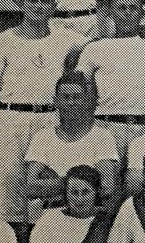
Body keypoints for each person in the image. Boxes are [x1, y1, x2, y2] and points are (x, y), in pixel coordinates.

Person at [0, 0, 86, 230]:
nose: (38, 6)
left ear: (53, 6)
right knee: (11, 191)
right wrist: (12, 107)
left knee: (46, 192)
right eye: (32, 0)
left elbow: (98, 48)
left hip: (50, 120)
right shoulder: (2, 41)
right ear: (21, 4)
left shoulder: (68, 40)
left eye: (44, 1)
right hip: (10, 122)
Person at [74, 0, 145, 154]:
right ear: (111, 13)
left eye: (133, 8)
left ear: (142, 14)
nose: (128, 13)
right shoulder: (95, 48)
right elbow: (81, 90)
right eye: (122, 8)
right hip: (107, 127)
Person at [25, 71, 120, 221]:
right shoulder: (42, 137)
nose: (71, 102)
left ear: (86, 100)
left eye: (76, 97)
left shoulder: (102, 136)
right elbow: (29, 187)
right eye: (65, 97)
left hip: (87, 220)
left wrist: (53, 183)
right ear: (56, 101)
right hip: (49, 219)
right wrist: (85, 181)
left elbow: (106, 188)